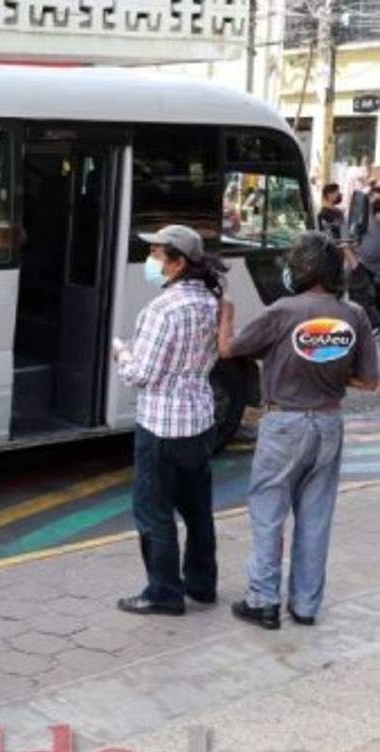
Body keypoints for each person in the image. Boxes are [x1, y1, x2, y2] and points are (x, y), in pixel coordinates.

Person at [218, 232, 379, 629]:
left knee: (269, 513)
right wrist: (332, 373)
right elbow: (370, 381)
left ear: (302, 268)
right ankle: (305, 605)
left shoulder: (282, 310)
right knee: (316, 517)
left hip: (284, 424)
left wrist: (226, 316)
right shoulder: (354, 315)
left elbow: (229, 350)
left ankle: (263, 600)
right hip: (329, 422)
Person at [113, 225, 223, 617]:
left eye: (157, 254)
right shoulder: (211, 300)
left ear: (178, 264)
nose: (151, 261)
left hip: (161, 425)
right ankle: (202, 584)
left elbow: (140, 374)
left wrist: (122, 353)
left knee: (154, 512)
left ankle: (163, 592)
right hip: (199, 419)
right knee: (197, 510)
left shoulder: (162, 310)